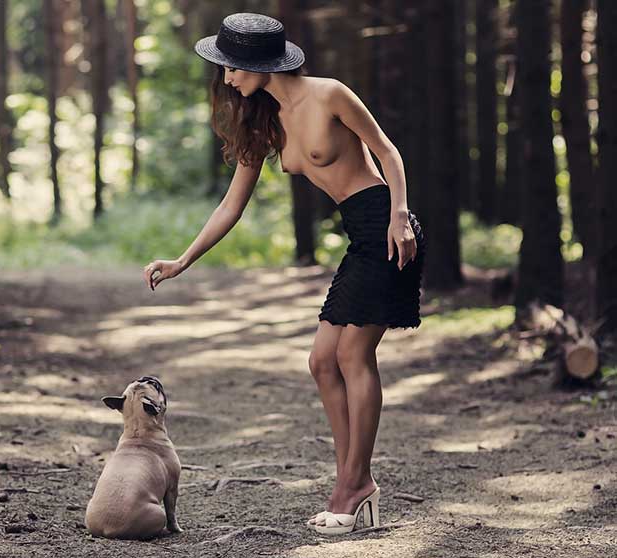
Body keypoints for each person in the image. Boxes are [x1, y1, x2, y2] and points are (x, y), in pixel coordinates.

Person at [141, 12, 426, 536]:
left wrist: (401, 217)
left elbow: (388, 151)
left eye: (231, 67)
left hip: (385, 228)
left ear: (258, 63)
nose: (226, 79)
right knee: (322, 362)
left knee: (351, 354)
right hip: (358, 239)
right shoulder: (264, 120)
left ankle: (351, 487)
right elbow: (232, 204)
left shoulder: (331, 94)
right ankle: (353, 479)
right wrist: (182, 260)